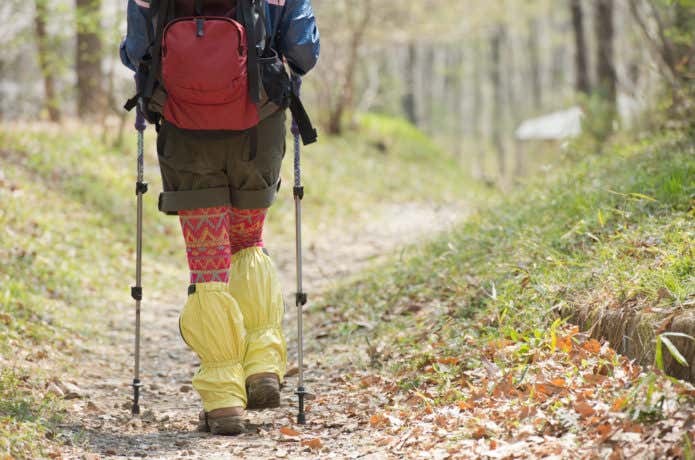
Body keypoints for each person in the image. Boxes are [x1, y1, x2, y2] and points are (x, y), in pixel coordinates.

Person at [120, 0, 319, 435]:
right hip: (257, 125)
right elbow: (303, 52)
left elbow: (137, 53)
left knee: (209, 265)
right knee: (247, 242)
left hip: (185, 130)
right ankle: (262, 362)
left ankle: (224, 397)